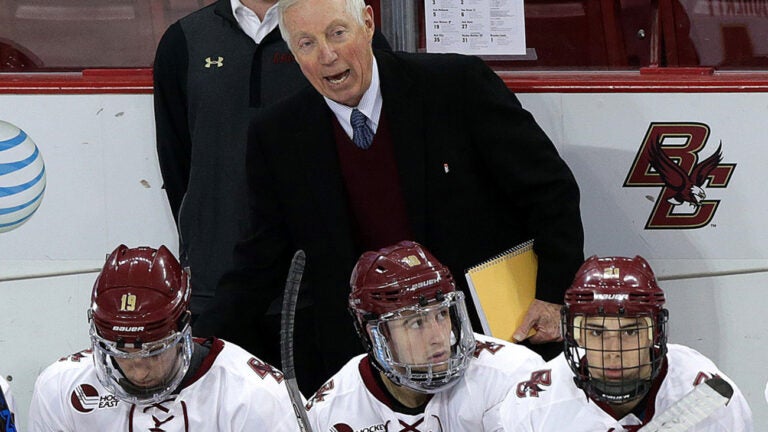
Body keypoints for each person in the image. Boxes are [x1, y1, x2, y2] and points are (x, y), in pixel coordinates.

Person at [194, 0, 583, 393]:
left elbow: (550, 192)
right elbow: (260, 260)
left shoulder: (457, 84)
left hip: (483, 343)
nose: (327, 55)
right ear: (293, 53)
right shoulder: (277, 134)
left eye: (337, 33)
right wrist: (196, 351)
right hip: (365, 363)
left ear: (367, 23)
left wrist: (552, 297)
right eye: (307, 43)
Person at [28, 245, 300, 431]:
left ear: (183, 329)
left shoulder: (256, 396)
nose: (139, 369)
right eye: (120, 352)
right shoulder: (61, 388)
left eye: (154, 351)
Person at [486, 255, 753, 431]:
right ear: (575, 333)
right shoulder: (533, 403)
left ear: (654, 333)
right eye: (596, 332)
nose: (613, 352)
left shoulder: (706, 395)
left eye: (629, 332)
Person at [306, 240, 545, 430]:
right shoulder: (329, 411)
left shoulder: (511, 375)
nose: (438, 336)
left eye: (442, 315)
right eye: (416, 322)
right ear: (377, 335)